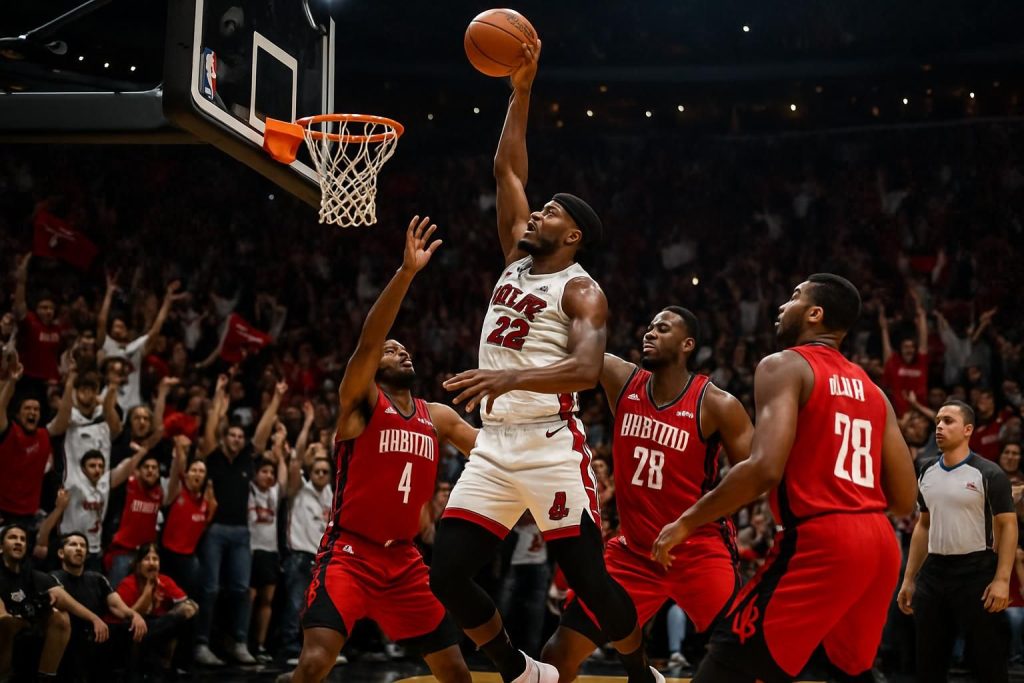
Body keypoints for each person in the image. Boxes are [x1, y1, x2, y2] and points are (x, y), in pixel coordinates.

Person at [432, 42, 658, 683]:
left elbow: (587, 371)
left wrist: (508, 376)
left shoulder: (582, 289)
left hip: (552, 445)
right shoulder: (515, 259)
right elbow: (506, 171)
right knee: (446, 570)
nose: (536, 213)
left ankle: (641, 674)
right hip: (495, 447)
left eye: (551, 212)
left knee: (588, 578)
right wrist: (521, 91)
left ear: (574, 236)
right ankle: (519, 671)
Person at [651, 274, 918, 682]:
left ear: (815, 314)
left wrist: (687, 521)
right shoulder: (874, 390)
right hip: (880, 545)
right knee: (849, 670)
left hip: (822, 539)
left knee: (731, 658)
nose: (782, 306)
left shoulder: (784, 365)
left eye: (794, 297)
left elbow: (764, 467)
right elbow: (904, 498)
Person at [279, 216, 476, 683]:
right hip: (349, 552)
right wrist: (406, 274)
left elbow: (493, 451)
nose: (401, 352)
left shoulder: (439, 417)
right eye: (392, 350)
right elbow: (370, 338)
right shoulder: (362, 403)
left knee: (455, 671)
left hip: (405, 561)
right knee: (314, 663)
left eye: (405, 350)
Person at [542, 306, 754, 682]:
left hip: (698, 550)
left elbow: (753, 475)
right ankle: (643, 675)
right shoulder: (621, 379)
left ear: (688, 345)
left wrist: (691, 521)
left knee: (748, 656)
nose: (650, 333)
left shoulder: (717, 404)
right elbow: (574, 348)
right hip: (633, 552)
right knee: (557, 656)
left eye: (663, 328)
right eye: (650, 326)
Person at [896, 401, 1017, 682]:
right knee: (928, 665)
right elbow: (923, 526)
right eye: (938, 420)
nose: (939, 426)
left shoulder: (989, 473)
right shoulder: (925, 470)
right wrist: (909, 578)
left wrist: (1002, 578)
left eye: (948, 421)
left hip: (976, 572)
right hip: (934, 573)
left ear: (967, 430)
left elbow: (1008, 526)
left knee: (988, 663)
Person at [191, 373, 280, 666]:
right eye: (232, 435)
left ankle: (239, 642)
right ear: (225, 437)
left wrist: (276, 399)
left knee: (242, 589)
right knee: (210, 588)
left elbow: (263, 432)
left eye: (240, 437)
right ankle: (202, 644)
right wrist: (219, 395)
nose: (237, 440)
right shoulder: (213, 457)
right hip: (215, 530)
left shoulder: (247, 461)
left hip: (242, 532)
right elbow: (211, 428)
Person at [0, 524, 109, 682]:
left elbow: (64, 598)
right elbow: (2, 615)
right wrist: (13, 619)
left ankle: (46, 677)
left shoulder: (31, 574)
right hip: (6, 626)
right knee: (6, 623)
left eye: (22, 539)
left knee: (60, 617)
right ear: (1, 547)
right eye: (12, 538)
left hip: (24, 624)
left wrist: (94, 618)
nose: (18, 542)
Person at [33, 442, 153, 571]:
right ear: (83, 469)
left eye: (100, 466)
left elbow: (123, 471)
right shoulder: (73, 485)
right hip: (70, 545)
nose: (97, 469)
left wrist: (140, 454)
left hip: (93, 550)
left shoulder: (104, 485)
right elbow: (68, 458)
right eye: (92, 466)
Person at [51, 532, 147, 681]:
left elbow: (117, 606)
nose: (79, 549)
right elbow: (61, 603)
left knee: (131, 627)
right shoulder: (52, 578)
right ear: (61, 553)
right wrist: (94, 618)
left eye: (83, 546)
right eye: (73, 545)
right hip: (68, 641)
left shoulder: (97, 578)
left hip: (96, 638)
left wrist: (134, 615)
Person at [97, 275, 188, 412]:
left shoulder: (135, 348)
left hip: (132, 404)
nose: (117, 329)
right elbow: (101, 322)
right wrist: (109, 293)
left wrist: (167, 303)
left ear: (127, 331)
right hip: (108, 401)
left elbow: (155, 331)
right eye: (115, 326)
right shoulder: (108, 346)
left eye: (121, 327)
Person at [115, 543, 199, 678]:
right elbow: (127, 617)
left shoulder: (165, 581)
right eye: (147, 559)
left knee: (187, 615)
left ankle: (181, 667)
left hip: (160, 626)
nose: (152, 563)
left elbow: (189, 606)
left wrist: (177, 614)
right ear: (138, 565)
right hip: (134, 628)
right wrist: (148, 590)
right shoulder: (128, 583)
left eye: (155, 559)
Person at [248, 423, 290, 663]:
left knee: (267, 601)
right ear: (256, 473)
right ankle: (244, 642)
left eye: (270, 473)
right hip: (251, 551)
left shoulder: (273, 493)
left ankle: (261, 645)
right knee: (249, 599)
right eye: (264, 471)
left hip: (270, 552)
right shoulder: (249, 488)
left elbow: (282, 479)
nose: (269, 476)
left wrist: (279, 453)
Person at [0, 355, 55, 533]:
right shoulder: (9, 430)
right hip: (3, 512)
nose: (32, 412)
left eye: (36, 409)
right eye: (27, 409)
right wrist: (12, 381)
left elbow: (62, 421)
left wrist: (70, 379)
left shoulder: (43, 435)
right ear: (17, 414)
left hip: (30, 516)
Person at [160, 435, 216, 598]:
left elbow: (207, 522)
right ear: (187, 474)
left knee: (190, 598)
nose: (197, 474)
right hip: (168, 555)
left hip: (189, 556)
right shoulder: (177, 492)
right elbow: (176, 471)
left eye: (201, 471)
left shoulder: (207, 500)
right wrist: (179, 449)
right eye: (194, 470)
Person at [105, 448, 164, 587]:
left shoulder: (159, 492)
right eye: (146, 467)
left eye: (154, 468)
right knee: (114, 594)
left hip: (145, 555)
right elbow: (124, 469)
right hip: (122, 552)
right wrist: (141, 451)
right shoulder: (128, 485)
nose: (150, 470)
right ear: (137, 471)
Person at [879, 289, 929, 418]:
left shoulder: (920, 362)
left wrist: (920, 312)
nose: (909, 349)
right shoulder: (894, 362)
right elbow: (887, 348)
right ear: (900, 350)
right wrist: (884, 328)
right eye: (906, 347)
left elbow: (923, 339)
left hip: (920, 415)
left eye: (912, 347)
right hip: (899, 418)